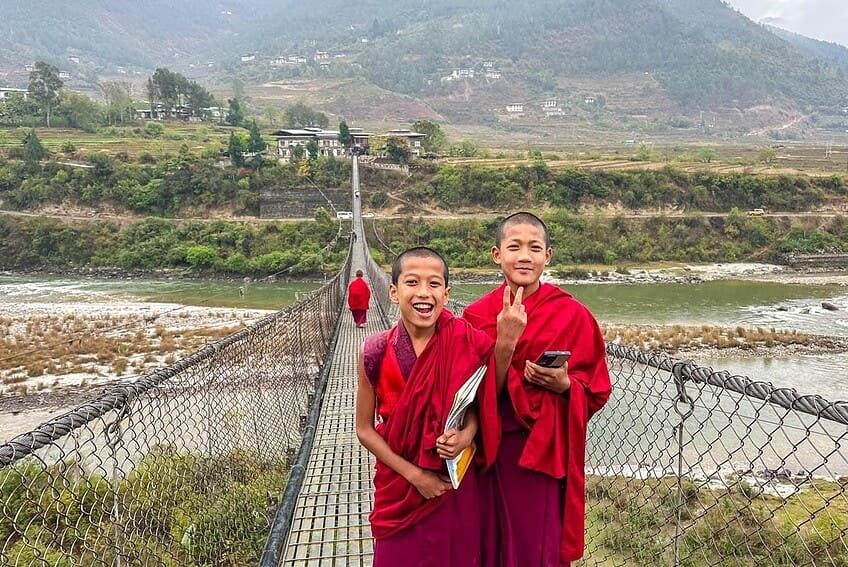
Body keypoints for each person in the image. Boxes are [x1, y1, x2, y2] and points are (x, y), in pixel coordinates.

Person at [462, 212, 612, 567]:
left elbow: (596, 390)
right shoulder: (476, 316)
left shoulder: (573, 315)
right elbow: (472, 397)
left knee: (536, 548)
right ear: (497, 254)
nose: (524, 256)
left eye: (534, 248)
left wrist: (566, 386)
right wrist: (506, 342)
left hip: (541, 455)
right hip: (487, 452)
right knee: (488, 544)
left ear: (548, 255)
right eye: (514, 247)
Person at [355, 247, 500, 566]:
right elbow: (364, 429)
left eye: (434, 284)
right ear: (393, 292)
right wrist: (416, 476)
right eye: (412, 282)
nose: (424, 293)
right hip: (401, 484)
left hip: (453, 483)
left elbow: (476, 402)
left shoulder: (465, 340)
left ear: (447, 294)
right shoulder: (375, 350)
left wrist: (468, 434)